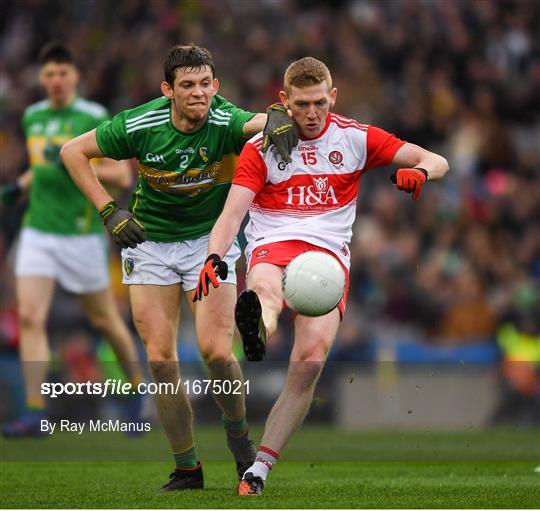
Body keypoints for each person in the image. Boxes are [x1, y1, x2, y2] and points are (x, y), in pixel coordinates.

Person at [195, 56, 449, 496]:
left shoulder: (354, 138)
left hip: (328, 258)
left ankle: (257, 471)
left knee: (310, 360)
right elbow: (231, 213)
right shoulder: (262, 148)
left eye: (318, 103)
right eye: (300, 105)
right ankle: (259, 323)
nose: (311, 114)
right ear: (283, 102)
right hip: (274, 243)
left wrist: (420, 171)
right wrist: (215, 257)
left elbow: (436, 158)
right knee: (266, 288)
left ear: (332, 97)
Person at [60, 44, 296, 491]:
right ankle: (187, 467)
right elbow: (73, 151)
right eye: (187, 85)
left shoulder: (224, 120)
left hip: (211, 242)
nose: (198, 94)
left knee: (215, 351)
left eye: (206, 84)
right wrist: (109, 209)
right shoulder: (140, 123)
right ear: (168, 90)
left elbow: (258, 122)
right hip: (149, 244)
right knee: (160, 359)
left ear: (216, 87)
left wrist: (276, 116)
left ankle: (238, 436)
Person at [0, 42, 145, 437]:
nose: (56, 80)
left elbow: (121, 176)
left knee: (106, 321)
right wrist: (19, 185)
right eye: (49, 74)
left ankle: (136, 397)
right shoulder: (33, 117)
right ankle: (35, 412)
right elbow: (40, 166)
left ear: (75, 77)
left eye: (63, 73)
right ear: (42, 79)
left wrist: (71, 164)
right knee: (30, 316)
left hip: (81, 236)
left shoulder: (92, 116)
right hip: (38, 231)